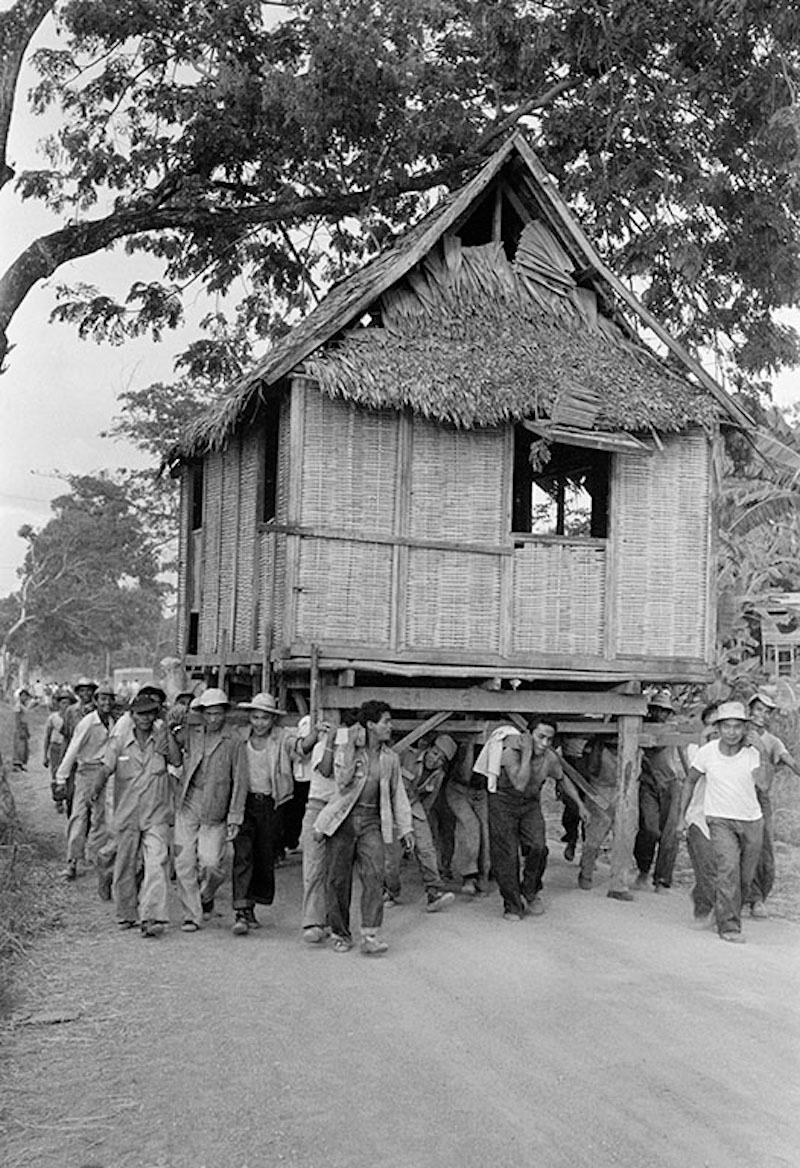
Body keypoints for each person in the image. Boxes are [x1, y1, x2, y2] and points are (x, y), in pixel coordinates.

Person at [314, 701, 413, 955]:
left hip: (371, 822)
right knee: (338, 879)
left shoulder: (390, 758)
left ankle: (370, 935)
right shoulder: (350, 751)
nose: (390, 727)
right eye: (385, 722)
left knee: (374, 875)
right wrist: (348, 746)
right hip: (343, 822)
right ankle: (340, 933)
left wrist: (406, 828)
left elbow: (397, 794)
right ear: (370, 725)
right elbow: (342, 780)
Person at [481, 716, 588, 920]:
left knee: (539, 847)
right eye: (540, 737)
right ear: (528, 735)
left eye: (549, 739)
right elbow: (520, 783)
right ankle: (512, 904)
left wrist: (580, 805)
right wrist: (527, 753)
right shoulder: (510, 753)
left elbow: (562, 778)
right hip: (503, 803)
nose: (545, 743)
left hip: (530, 804)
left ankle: (530, 891)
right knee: (507, 854)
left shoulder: (550, 758)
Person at [96, 691, 182, 936]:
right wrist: (95, 789)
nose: (145, 718)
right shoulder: (120, 741)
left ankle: (152, 916)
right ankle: (126, 913)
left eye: (150, 714)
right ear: (132, 716)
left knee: (157, 863)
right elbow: (105, 768)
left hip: (156, 813)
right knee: (125, 865)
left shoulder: (161, 738)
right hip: (127, 814)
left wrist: (169, 734)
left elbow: (175, 762)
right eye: (140, 714)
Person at [681, 701, 765, 943]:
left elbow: (765, 784)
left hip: (751, 821)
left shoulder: (752, 753)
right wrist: (681, 816)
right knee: (727, 870)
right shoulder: (707, 752)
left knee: (744, 878)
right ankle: (729, 927)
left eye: (737, 726)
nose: (732, 732)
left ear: (744, 728)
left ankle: (727, 911)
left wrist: (762, 753)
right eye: (726, 726)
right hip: (719, 820)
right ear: (717, 728)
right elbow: (690, 780)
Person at [228, 693, 297, 936]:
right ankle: (241, 911)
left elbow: (300, 747)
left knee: (264, 856)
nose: (259, 723)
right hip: (243, 802)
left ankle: (251, 906)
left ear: (272, 720)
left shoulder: (282, 739)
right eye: (255, 717)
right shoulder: (239, 737)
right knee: (243, 854)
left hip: (271, 803)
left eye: (264, 718)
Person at [173, 687, 239, 931]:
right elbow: (170, 746)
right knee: (183, 861)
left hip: (216, 807)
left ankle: (207, 894)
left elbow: (240, 781)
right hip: (189, 802)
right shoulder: (192, 733)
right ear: (201, 713)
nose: (213, 718)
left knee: (211, 863)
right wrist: (174, 716)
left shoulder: (233, 741)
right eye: (209, 713)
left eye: (218, 713)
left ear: (225, 714)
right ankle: (191, 914)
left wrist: (235, 815)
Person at [55, 680, 117, 890]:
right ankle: (72, 862)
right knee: (79, 816)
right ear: (96, 701)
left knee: (100, 818)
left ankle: (97, 860)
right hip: (85, 771)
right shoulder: (88, 722)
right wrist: (61, 777)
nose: (106, 703)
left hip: (104, 773)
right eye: (102, 699)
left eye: (110, 699)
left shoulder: (112, 723)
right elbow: (73, 749)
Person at [385, 735, 457, 912]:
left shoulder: (439, 775)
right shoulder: (406, 756)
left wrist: (419, 822)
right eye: (434, 753)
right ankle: (390, 891)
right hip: (394, 807)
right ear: (428, 749)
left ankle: (434, 892)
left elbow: (430, 800)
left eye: (441, 759)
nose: (435, 759)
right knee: (392, 857)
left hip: (415, 808)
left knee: (426, 849)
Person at [746, 690, 800, 919]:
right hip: (734, 796)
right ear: (750, 710)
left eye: (767, 712)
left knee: (764, 848)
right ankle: (736, 895)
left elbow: (789, 761)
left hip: (760, 798)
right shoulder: (737, 734)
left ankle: (757, 898)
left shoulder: (772, 741)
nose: (762, 715)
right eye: (759, 709)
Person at [633, 691, 684, 892]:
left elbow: (681, 753)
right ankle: (643, 869)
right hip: (648, 784)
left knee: (669, 835)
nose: (660, 714)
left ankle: (662, 879)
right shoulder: (642, 726)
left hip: (671, 784)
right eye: (656, 710)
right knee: (649, 829)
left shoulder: (673, 729)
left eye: (664, 711)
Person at [297, 716, 337, 943]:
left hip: (341, 810)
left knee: (336, 870)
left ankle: (332, 920)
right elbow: (325, 770)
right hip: (318, 807)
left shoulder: (355, 748)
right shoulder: (322, 744)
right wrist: (330, 740)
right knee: (313, 867)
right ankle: (313, 921)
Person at [683, 703, 719, 927]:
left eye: (721, 724)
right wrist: (704, 740)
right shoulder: (694, 749)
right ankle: (706, 909)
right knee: (706, 866)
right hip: (698, 816)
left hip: (726, 817)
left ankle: (704, 900)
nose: (717, 730)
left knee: (719, 867)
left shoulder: (734, 753)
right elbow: (696, 771)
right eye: (712, 724)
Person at [446, 741, 491, 896]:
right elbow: (465, 775)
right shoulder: (463, 740)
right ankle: (469, 875)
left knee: (485, 831)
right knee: (470, 825)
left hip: (481, 791)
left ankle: (483, 875)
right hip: (458, 789)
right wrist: (470, 744)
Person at [61, 677, 99, 818]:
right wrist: (62, 762)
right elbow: (66, 736)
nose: (86, 694)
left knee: (92, 795)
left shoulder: (99, 710)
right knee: (71, 794)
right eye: (82, 690)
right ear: (77, 693)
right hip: (74, 758)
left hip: (92, 759)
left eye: (89, 690)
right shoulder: (71, 711)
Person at [42, 687, 75, 812]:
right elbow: (47, 737)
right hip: (56, 748)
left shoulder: (74, 718)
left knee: (69, 774)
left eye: (68, 703)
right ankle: (59, 800)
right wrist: (45, 755)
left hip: (70, 749)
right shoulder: (53, 718)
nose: (65, 706)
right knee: (56, 773)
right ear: (58, 704)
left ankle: (69, 799)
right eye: (62, 703)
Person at [12, 686, 33, 771]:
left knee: (24, 747)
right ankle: (16, 763)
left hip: (24, 727)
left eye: (26, 696)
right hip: (19, 728)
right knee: (19, 746)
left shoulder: (24, 706)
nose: (25, 698)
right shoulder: (18, 706)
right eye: (23, 696)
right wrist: (19, 729)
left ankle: (21, 763)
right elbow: (17, 718)